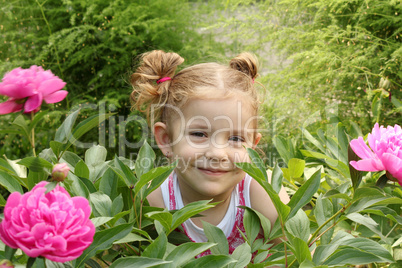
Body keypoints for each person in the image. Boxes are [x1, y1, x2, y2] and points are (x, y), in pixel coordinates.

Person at [130, 50, 290, 258]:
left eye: (236, 139)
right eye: (199, 134)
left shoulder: (264, 193)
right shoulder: (151, 200)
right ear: (166, 139)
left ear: (253, 146)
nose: (217, 153)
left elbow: (301, 257)